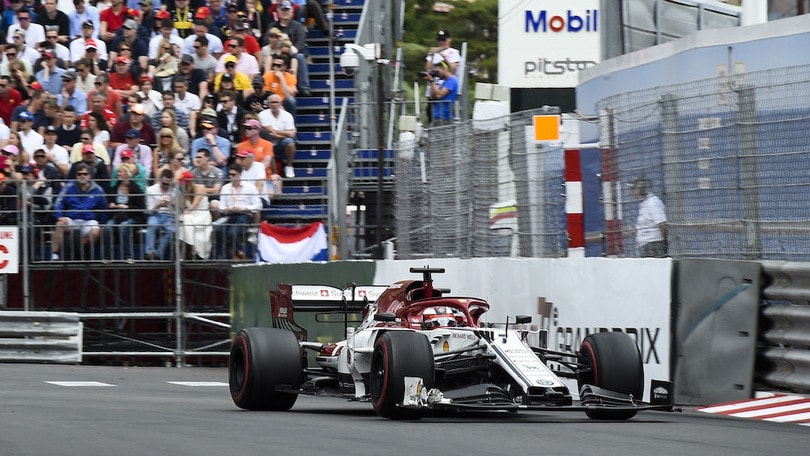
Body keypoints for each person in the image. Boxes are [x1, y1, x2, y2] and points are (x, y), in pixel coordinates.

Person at [51, 162, 108, 261]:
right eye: (79, 174)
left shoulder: (98, 189)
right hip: (72, 218)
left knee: (95, 232)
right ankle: (55, 254)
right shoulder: (68, 187)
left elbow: (104, 208)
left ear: (89, 176)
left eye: (85, 174)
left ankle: (87, 253)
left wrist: (102, 223)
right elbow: (58, 202)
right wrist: (59, 215)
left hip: (88, 220)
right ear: (76, 175)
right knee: (59, 224)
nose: (82, 176)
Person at [216, 163, 260, 260]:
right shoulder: (225, 188)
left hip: (244, 214)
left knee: (232, 233)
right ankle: (237, 253)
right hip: (229, 215)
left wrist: (243, 208)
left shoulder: (250, 187)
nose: (231, 177)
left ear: (240, 174)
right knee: (217, 230)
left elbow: (258, 205)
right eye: (229, 175)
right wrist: (227, 209)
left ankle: (237, 254)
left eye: (233, 175)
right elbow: (222, 206)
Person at [104, 161, 145, 262]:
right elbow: (109, 202)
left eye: (120, 172)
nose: (118, 174)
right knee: (108, 228)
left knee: (124, 227)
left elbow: (141, 208)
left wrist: (127, 207)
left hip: (132, 216)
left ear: (127, 174)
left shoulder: (136, 189)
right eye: (118, 172)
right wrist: (111, 205)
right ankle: (107, 257)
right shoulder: (114, 188)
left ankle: (128, 256)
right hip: (117, 215)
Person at [257, 93, 296, 178]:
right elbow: (269, 131)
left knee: (290, 142)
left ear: (280, 103)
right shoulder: (262, 114)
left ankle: (289, 166)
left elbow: (292, 134)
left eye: (276, 102)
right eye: (272, 102)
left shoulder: (287, 115)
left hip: (281, 143)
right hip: (267, 143)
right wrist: (286, 133)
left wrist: (277, 135)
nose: (274, 104)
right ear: (268, 104)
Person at [629, 176, 668, 258]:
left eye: (634, 189)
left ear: (642, 188)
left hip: (655, 246)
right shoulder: (644, 203)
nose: (632, 192)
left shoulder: (652, 203)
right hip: (648, 246)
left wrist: (664, 243)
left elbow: (663, 225)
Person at [177, 170, 212, 260]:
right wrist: (181, 193)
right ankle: (189, 249)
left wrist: (186, 212)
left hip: (201, 215)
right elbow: (181, 206)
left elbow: (195, 203)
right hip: (191, 215)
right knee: (183, 223)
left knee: (185, 218)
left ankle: (190, 248)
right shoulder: (183, 192)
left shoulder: (200, 187)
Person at [144, 168, 177, 260]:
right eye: (164, 183)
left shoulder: (174, 192)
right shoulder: (151, 190)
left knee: (173, 231)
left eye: (168, 184)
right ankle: (149, 252)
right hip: (155, 214)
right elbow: (149, 210)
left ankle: (158, 253)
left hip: (169, 215)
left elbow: (178, 210)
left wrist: (172, 203)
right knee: (152, 224)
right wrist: (159, 205)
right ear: (160, 180)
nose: (166, 186)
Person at [190, 147, 222, 220]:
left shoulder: (217, 172)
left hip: (213, 197)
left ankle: (216, 223)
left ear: (207, 158)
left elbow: (216, 190)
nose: (197, 159)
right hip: (199, 197)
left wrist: (200, 189)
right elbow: (192, 188)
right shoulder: (193, 172)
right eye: (196, 157)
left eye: (200, 157)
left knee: (214, 205)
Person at [425, 60, 458, 126]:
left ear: (444, 69)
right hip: (437, 116)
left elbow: (440, 94)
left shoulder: (452, 81)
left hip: (445, 117)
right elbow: (434, 96)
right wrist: (432, 82)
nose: (437, 74)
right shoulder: (444, 82)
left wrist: (432, 81)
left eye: (438, 71)